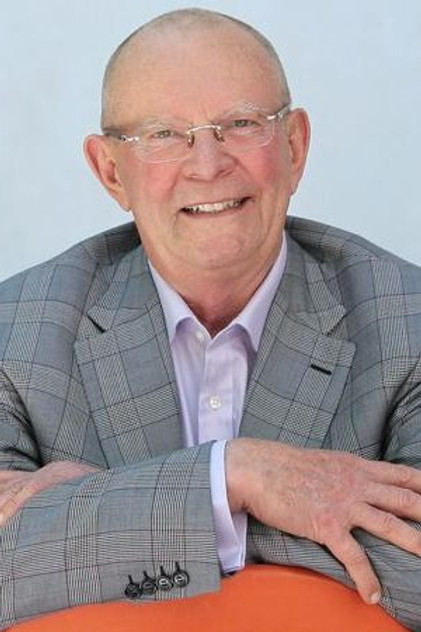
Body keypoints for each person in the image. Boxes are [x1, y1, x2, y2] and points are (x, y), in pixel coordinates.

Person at [1, 8, 421, 630]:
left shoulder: (408, 321)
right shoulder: (15, 333)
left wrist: (94, 514)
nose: (207, 164)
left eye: (241, 124)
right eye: (163, 135)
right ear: (111, 171)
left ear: (295, 145)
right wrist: (237, 477)